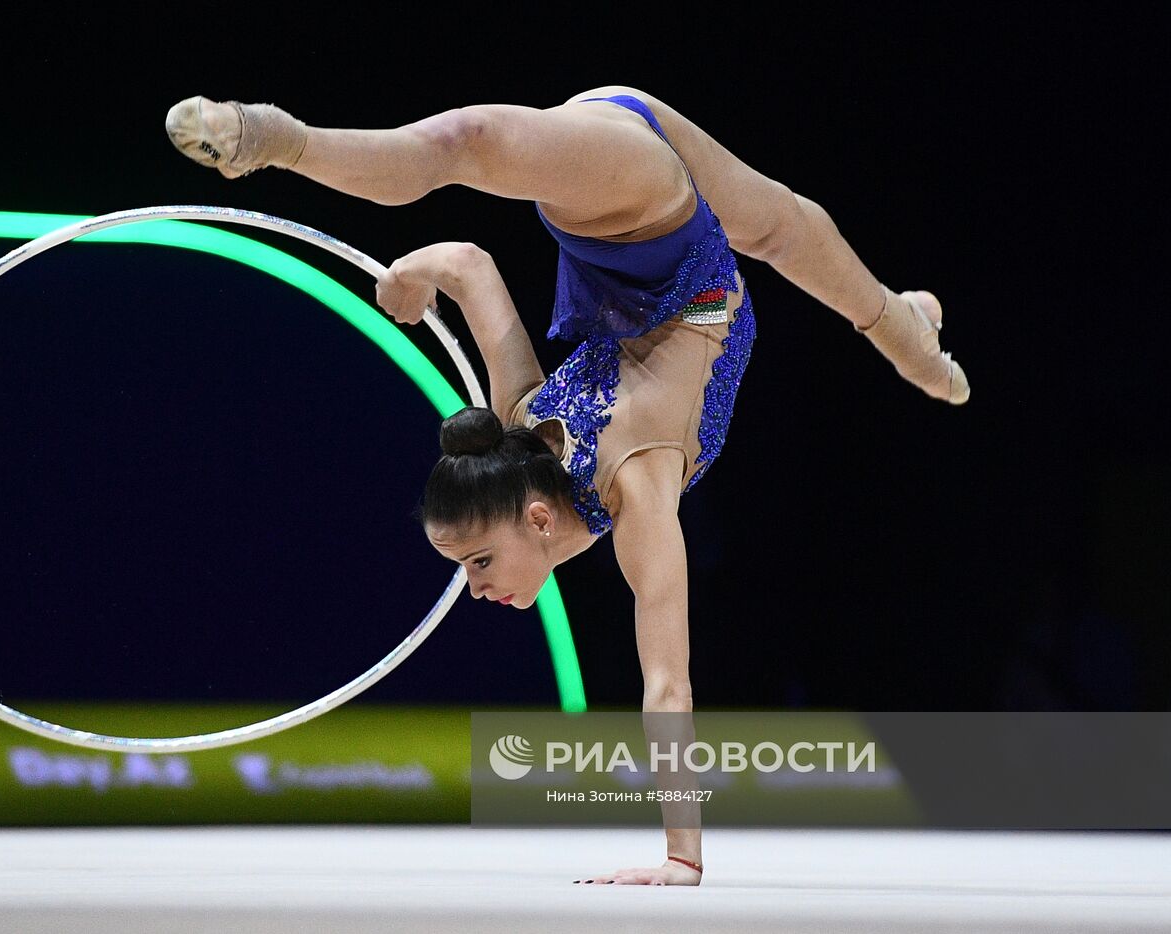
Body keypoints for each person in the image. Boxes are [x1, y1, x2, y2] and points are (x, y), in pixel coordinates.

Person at [165, 86, 970, 886]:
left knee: (468, 141)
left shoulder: (573, 450)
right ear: (542, 517)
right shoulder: (602, 474)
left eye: (474, 561)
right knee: (778, 223)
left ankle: (265, 138)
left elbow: (467, 266)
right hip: (659, 230)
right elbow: (667, 683)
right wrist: (419, 276)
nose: (474, 587)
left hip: (637, 219)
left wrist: (413, 272)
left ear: (537, 515)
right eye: (473, 566)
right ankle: (907, 327)